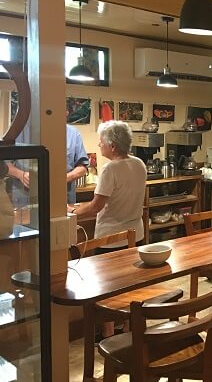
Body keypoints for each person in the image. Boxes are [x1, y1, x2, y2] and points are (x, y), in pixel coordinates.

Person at [68, 120, 146, 339]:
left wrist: (72, 211)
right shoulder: (139, 163)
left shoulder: (110, 168)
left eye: (101, 142)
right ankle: (130, 327)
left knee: (107, 287)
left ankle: (108, 333)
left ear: (112, 146)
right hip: (135, 235)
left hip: (111, 238)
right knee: (130, 284)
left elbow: (96, 206)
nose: (99, 145)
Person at [6, 122, 89, 205]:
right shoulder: (18, 130)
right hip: (26, 197)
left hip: (61, 197)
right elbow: (4, 163)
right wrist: (21, 175)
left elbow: (82, 167)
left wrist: (61, 180)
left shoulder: (73, 134)